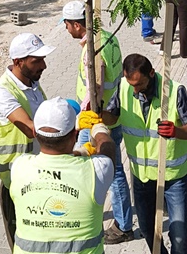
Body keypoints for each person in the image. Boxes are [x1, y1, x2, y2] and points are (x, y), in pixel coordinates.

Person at [103, 54, 187, 254]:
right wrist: (97, 113)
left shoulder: (174, 92)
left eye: (140, 84)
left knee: (179, 233)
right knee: (147, 229)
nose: (135, 90)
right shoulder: (123, 88)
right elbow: (112, 118)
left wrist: (176, 131)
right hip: (142, 176)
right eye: (132, 84)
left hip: (173, 176)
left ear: (151, 74)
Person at [61, 0, 134, 245]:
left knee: (107, 170)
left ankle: (123, 225)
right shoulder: (109, 38)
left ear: (75, 24)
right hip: (112, 115)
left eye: (66, 25)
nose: (66, 30)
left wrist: (84, 119)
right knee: (105, 168)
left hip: (98, 122)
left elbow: (97, 86)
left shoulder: (92, 51)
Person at [10, 97, 116, 254]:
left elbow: (54, 161)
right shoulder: (96, 171)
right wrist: (99, 130)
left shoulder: (19, 166)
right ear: (74, 134)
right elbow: (107, 150)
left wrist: (80, 152)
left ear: (34, 133)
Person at [0, 32, 55, 248]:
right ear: (18, 62)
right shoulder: (3, 92)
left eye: (43, 59)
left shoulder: (32, 82)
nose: (43, 65)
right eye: (36, 60)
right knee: (25, 243)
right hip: (18, 180)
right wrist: (70, 128)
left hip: (40, 175)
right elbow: (29, 128)